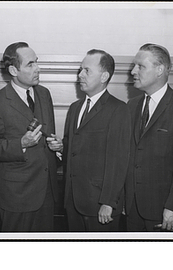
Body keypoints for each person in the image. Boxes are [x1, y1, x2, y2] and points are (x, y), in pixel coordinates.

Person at [125, 43, 173, 232]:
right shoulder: (131, 106)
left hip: (166, 213)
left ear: (160, 70)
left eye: (140, 66)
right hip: (132, 210)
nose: (133, 71)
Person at [0, 42, 60, 232]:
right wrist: (20, 144)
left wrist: (58, 147)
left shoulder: (44, 94)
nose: (37, 68)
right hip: (17, 195)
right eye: (30, 64)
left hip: (46, 192)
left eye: (36, 62)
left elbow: (48, 135)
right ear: (13, 70)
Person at [62, 49, 131, 231]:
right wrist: (61, 147)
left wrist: (109, 202)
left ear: (104, 76)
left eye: (86, 70)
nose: (80, 75)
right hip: (73, 202)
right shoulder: (75, 108)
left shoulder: (119, 110)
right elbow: (73, 148)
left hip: (100, 206)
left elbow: (118, 161)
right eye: (80, 70)